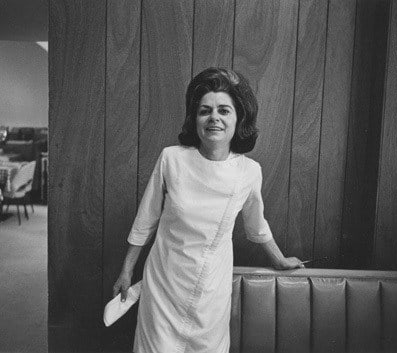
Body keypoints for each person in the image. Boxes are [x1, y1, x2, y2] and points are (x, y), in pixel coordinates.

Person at [113, 67, 303, 353]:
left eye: (224, 110)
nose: (214, 117)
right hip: (164, 283)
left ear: (238, 120)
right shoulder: (172, 159)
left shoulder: (249, 171)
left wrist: (279, 259)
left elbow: (257, 225)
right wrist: (126, 271)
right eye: (205, 111)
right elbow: (146, 219)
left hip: (211, 292)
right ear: (195, 120)